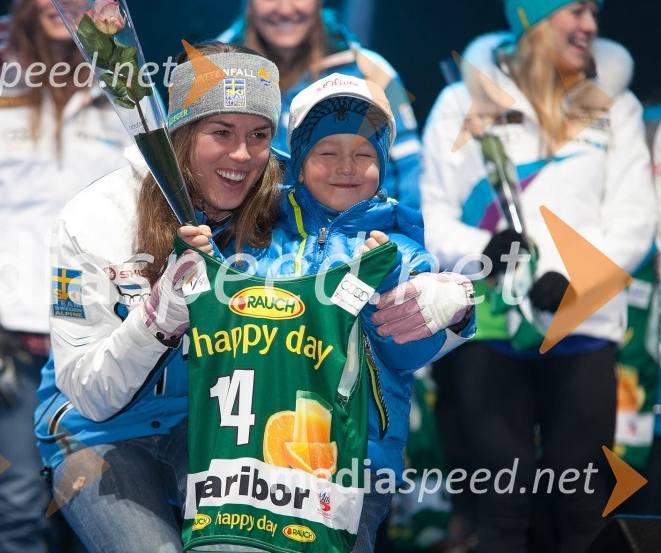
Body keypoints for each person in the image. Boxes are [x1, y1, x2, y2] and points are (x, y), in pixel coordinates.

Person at [178, 73, 476, 553]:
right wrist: (196, 261)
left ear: (382, 165)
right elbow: (210, 328)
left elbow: (406, 358)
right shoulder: (251, 233)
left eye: (364, 154)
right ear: (298, 162)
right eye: (326, 153)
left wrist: (435, 303)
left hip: (358, 466)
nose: (346, 167)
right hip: (244, 459)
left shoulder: (400, 250)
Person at [419, 1, 657, 551]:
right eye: (575, 10)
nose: (592, 26)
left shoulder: (613, 107)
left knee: (584, 511)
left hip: (584, 322)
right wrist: (483, 249)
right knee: (499, 511)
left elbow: (635, 218)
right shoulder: (462, 101)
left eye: (595, 12)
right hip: (490, 324)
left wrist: (579, 275)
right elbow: (428, 212)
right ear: (530, 16)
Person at [34, 42, 285, 553]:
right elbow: (89, 393)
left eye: (258, 135)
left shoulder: (279, 211)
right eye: (221, 132)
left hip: (210, 426)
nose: (241, 155)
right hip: (97, 431)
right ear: (181, 134)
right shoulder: (92, 218)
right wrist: (158, 315)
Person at [0, 0, 132, 550]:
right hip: (15, 328)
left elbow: (152, 193)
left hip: (103, 331)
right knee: (18, 500)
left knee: (110, 500)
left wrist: (120, 56)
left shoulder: (122, 77)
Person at [217, 0, 423, 208]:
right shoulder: (209, 69)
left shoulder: (372, 73)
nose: (286, 9)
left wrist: (387, 237)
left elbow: (410, 180)